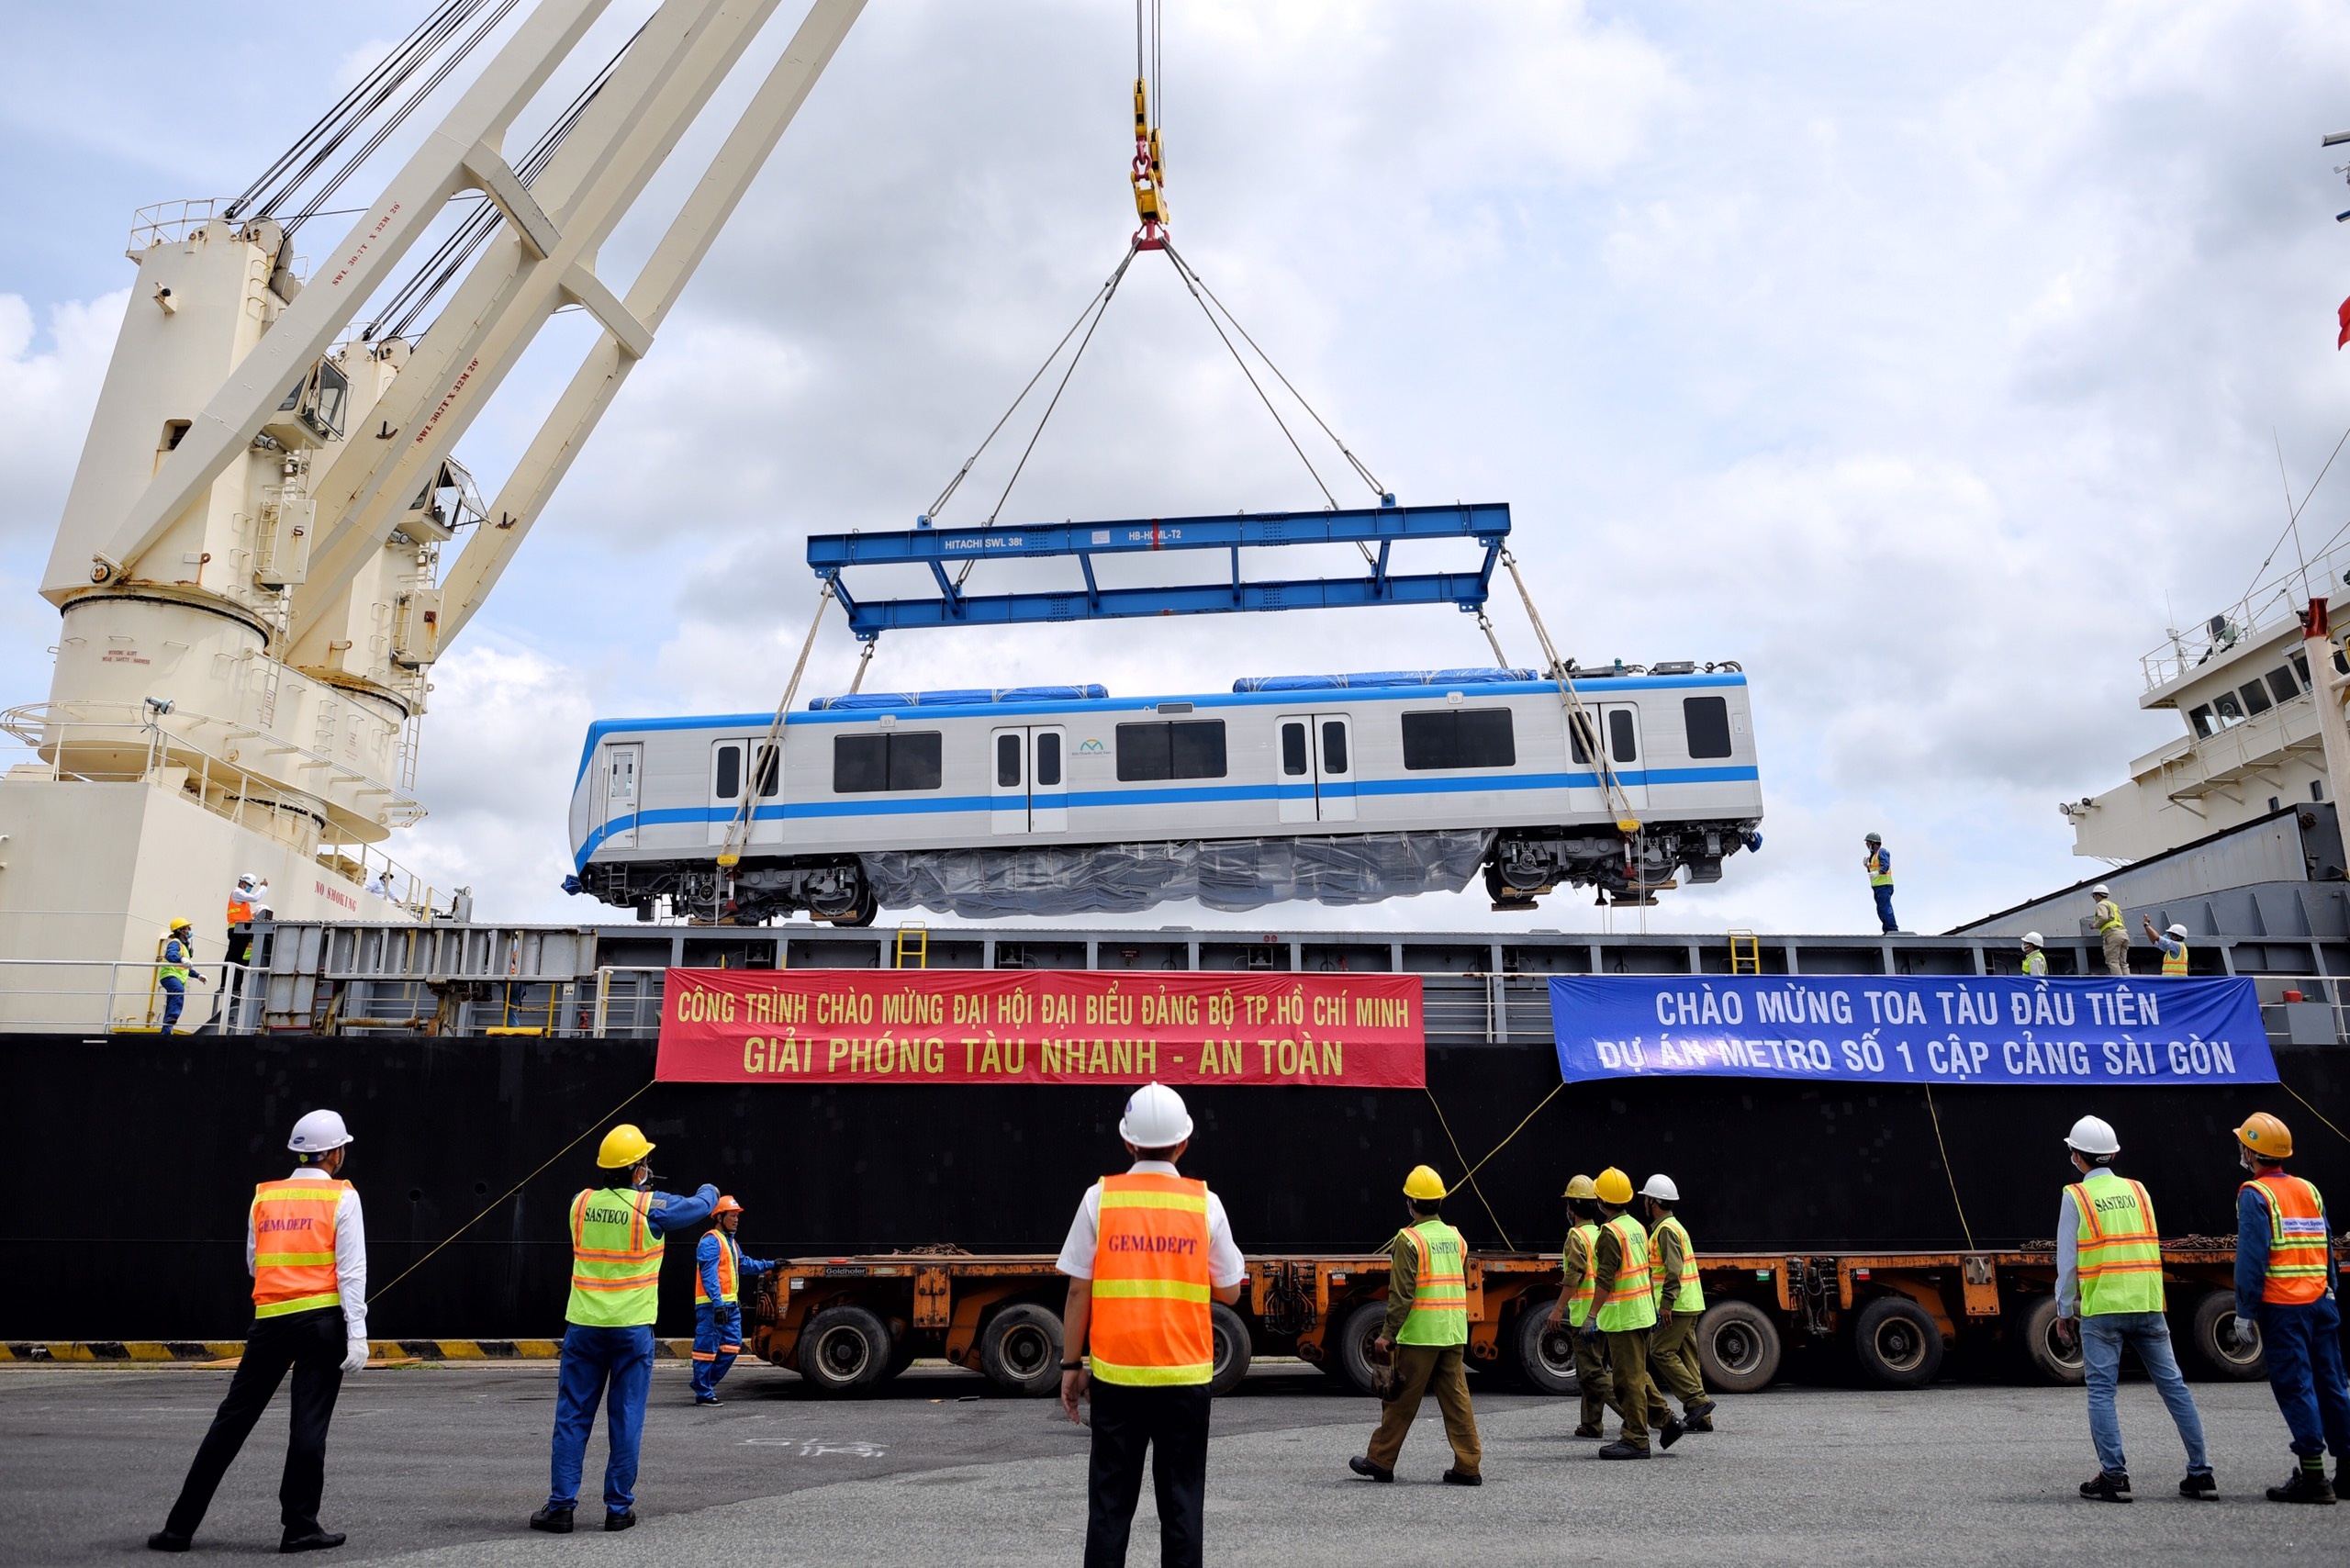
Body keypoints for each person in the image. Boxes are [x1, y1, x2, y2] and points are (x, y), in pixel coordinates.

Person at [149, 1110, 368, 1554]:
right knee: (308, 1425)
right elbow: (352, 1272)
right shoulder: (343, 1197)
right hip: (322, 1321)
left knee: (231, 1421)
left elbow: (254, 1263)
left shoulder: (263, 1197)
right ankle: (299, 1527)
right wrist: (358, 1331)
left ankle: (179, 1528)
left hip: (269, 1321)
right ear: (332, 1154)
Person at [1056, 1082, 1246, 1568]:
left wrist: (1070, 1365)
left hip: (1117, 1378)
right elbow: (1229, 1291)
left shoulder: (1100, 1198)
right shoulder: (1205, 1203)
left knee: (1109, 1509)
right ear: (1183, 1143)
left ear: (1127, 1141)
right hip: (1184, 1378)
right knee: (1181, 1505)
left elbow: (1079, 1289)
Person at [531, 1125, 717, 1535]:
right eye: (645, 1163)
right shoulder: (652, 1208)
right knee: (626, 1417)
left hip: (584, 1327)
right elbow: (699, 1205)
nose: (648, 1169)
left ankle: (560, 1508)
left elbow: (606, 1209)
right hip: (631, 1330)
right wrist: (709, 1188)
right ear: (636, 1170)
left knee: (572, 1417)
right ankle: (618, 1509)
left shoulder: (579, 1204)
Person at [2050, 1115, 2212, 1502]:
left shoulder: (2076, 1196)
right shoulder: (2139, 1191)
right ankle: (2201, 1473)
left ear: (2076, 1157)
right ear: (2115, 1153)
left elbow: (2067, 1261)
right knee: (2174, 1388)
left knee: (2102, 1393)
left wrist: (2063, 1309)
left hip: (2104, 1307)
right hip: (2147, 1302)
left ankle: (2114, 1477)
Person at [2231, 1112, 2350, 1504]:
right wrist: (2330, 1287)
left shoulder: (2255, 1194)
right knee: (2333, 1384)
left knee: (2296, 1385)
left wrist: (2245, 1310)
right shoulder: (2309, 1189)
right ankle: (2347, 1470)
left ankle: (2314, 1479)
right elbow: (2326, 1243)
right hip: (2320, 1301)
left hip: (2283, 1309)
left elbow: (2252, 1258)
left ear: (2251, 1151)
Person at [1350, 1166, 1483, 1484]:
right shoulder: (1456, 1237)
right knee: (1457, 1401)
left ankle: (1380, 1461)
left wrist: (1387, 1335)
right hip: (1452, 1332)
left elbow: (1402, 1294)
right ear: (1440, 1200)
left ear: (1410, 1203)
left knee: (1400, 1399)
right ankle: (1468, 1466)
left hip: (1421, 1333)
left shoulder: (1409, 1240)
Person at [1583, 1166, 1681, 1459]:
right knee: (1638, 1376)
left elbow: (1605, 1279)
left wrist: (1591, 1316)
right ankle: (1667, 1421)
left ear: (1601, 1202)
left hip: (1625, 1318)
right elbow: (1646, 1272)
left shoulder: (1610, 1234)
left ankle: (1636, 1438)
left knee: (1627, 1381)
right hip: (1641, 1313)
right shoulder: (1637, 1227)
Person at [1641, 1174, 1716, 1431]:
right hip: (1690, 1300)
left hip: (1677, 1304)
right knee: (1688, 1356)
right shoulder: (1676, 1227)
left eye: (1646, 1199)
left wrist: (1666, 1303)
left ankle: (1697, 1402)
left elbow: (1673, 1269)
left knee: (1660, 1351)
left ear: (1653, 1202)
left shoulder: (1665, 1231)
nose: (1645, 1204)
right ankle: (1702, 1418)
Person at [1545, 1174, 1617, 1439]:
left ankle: (1635, 1415)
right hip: (1603, 1314)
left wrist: (1557, 1309)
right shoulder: (1598, 1233)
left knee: (1592, 1372)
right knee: (1592, 1371)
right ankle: (1591, 1423)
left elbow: (1574, 1275)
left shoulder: (1575, 1236)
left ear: (1571, 1208)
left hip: (1584, 1316)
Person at [690, 1195, 775, 1406]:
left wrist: (772, 1264)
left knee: (732, 1346)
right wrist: (717, 1303)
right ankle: (703, 1392)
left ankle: (704, 1384)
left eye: (737, 1216)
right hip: (713, 1306)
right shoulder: (710, 1241)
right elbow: (709, 1275)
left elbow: (744, 1264)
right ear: (719, 1217)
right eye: (732, 1216)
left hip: (729, 1306)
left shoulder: (731, 1243)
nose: (736, 1220)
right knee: (707, 1349)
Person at [156, 917, 207, 1036]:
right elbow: (171, 956)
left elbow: (185, 967)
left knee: (171, 1002)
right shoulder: (175, 943)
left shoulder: (185, 947)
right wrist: (181, 959)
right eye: (188, 928)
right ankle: (172, 1018)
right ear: (181, 930)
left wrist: (198, 975)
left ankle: (166, 1031)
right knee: (178, 991)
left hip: (176, 977)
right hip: (169, 975)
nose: (190, 930)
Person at [2089, 884, 2127, 976]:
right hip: (2123, 934)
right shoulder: (2114, 906)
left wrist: (2094, 926)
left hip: (2112, 935)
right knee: (2123, 963)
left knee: (2113, 962)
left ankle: (2120, 985)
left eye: (2094, 896)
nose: (2095, 898)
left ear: (2098, 895)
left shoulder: (2101, 904)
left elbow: (2103, 917)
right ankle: (2128, 984)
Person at [1863, 833, 1897, 933]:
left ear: (1873, 843)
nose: (1867, 845)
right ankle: (1887, 930)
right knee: (1881, 910)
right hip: (1878, 887)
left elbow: (1885, 866)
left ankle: (1892, 930)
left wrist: (1877, 872)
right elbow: (1873, 873)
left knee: (1885, 908)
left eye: (1868, 843)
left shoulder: (1882, 852)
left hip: (1884, 886)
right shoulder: (1873, 856)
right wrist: (1867, 867)